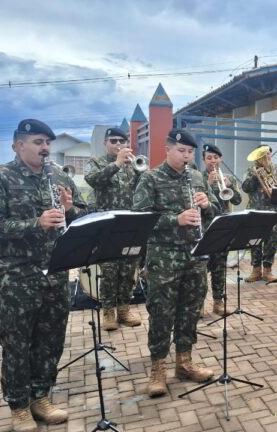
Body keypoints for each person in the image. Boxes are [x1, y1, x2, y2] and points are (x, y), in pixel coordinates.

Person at [0, 119, 88, 431]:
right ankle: (18, 406)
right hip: (17, 276)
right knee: (17, 341)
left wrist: (70, 209)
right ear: (18, 145)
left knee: (51, 338)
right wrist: (35, 223)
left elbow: (83, 213)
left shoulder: (58, 176)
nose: (45, 148)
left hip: (54, 271)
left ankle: (41, 396)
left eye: (47, 143)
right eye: (38, 142)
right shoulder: (0, 177)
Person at [133, 129, 221, 397]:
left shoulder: (196, 177)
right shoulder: (151, 178)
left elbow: (216, 211)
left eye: (190, 152)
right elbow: (139, 219)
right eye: (181, 151)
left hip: (194, 256)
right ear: (168, 150)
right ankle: (158, 370)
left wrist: (207, 205)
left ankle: (184, 363)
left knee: (190, 312)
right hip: (164, 259)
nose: (186, 156)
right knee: (161, 314)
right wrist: (176, 219)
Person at [84, 127, 142, 331]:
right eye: (113, 141)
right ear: (105, 143)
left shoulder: (132, 163)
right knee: (109, 272)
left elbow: (143, 187)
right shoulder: (97, 162)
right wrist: (116, 164)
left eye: (122, 141)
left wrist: (140, 170)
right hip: (107, 226)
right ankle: (108, 311)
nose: (118, 144)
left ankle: (124, 310)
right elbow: (94, 181)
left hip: (130, 225)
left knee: (128, 270)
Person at [201, 143, 243, 315]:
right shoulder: (198, 177)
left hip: (222, 228)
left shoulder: (227, 177)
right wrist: (208, 184)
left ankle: (218, 303)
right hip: (204, 229)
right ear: (204, 160)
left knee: (219, 268)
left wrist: (230, 186)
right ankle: (199, 304)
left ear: (220, 159)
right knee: (201, 269)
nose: (213, 161)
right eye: (209, 158)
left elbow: (237, 200)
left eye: (216, 157)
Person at [241, 144, 277, 283]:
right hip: (256, 212)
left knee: (272, 241)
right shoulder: (251, 171)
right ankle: (256, 270)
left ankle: (268, 270)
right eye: (264, 154)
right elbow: (245, 188)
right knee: (255, 241)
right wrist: (256, 177)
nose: (267, 156)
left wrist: (276, 189)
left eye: (268, 153)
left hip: (274, 212)